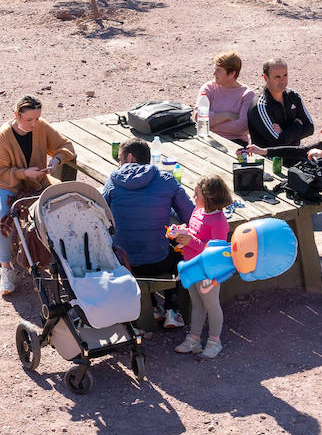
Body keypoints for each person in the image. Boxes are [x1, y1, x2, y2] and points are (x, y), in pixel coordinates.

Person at [245, 107, 322, 276]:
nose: (321, 131)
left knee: (299, 224)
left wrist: (319, 159)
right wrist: (265, 151)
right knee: (295, 219)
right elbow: (299, 151)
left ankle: (316, 268)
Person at [102, 137, 194, 329]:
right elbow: (190, 215)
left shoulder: (113, 180)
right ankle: (172, 309)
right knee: (177, 248)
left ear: (130, 157)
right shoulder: (166, 179)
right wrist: (165, 210)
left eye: (119, 160)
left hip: (124, 262)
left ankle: (152, 307)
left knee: (135, 238)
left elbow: (102, 214)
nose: (119, 165)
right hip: (158, 260)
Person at [0, 94, 76, 295]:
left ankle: (61, 261)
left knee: (65, 202)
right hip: (7, 184)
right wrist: (24, 173)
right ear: (16, 115)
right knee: (3, 213)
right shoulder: (2, 136)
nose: (34, 124)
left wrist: (56, 161)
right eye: (29, 120)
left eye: (37, 118)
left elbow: (66, 146)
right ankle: (6, 269)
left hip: (38, 181)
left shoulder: (41, 127)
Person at [169, 174, 233, 359]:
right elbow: (195, 233)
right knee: (197, 304)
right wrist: (183, 232)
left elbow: (216, 251)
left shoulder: (219, 221)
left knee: (211, 305)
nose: (193, 196)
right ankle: (194, 339)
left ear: (209, 197)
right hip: (193, 266)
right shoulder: (197, 212)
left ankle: (215, 341)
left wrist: (191, 240)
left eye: (197, 193)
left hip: (208, 271)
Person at [247, 57, 314, 149]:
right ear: (266, 78)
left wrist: (284, 131)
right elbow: (278, 142)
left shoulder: (293, 96)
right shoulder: (260, 106)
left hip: (294, 154)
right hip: (270, 160)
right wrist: (297, 124)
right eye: (277, 77)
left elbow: (310, 128)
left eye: (285, 75)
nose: (282, 80)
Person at [193, 51, 256, 144]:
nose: (214, 73)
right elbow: (198, 116)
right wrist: (227, 115)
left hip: (235, 143)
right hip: (208, 138)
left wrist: (209, 123)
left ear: (232, 73)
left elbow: (242, 127)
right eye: (214, 69)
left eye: (219, 70)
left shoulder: (247, 95)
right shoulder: (209, 88)